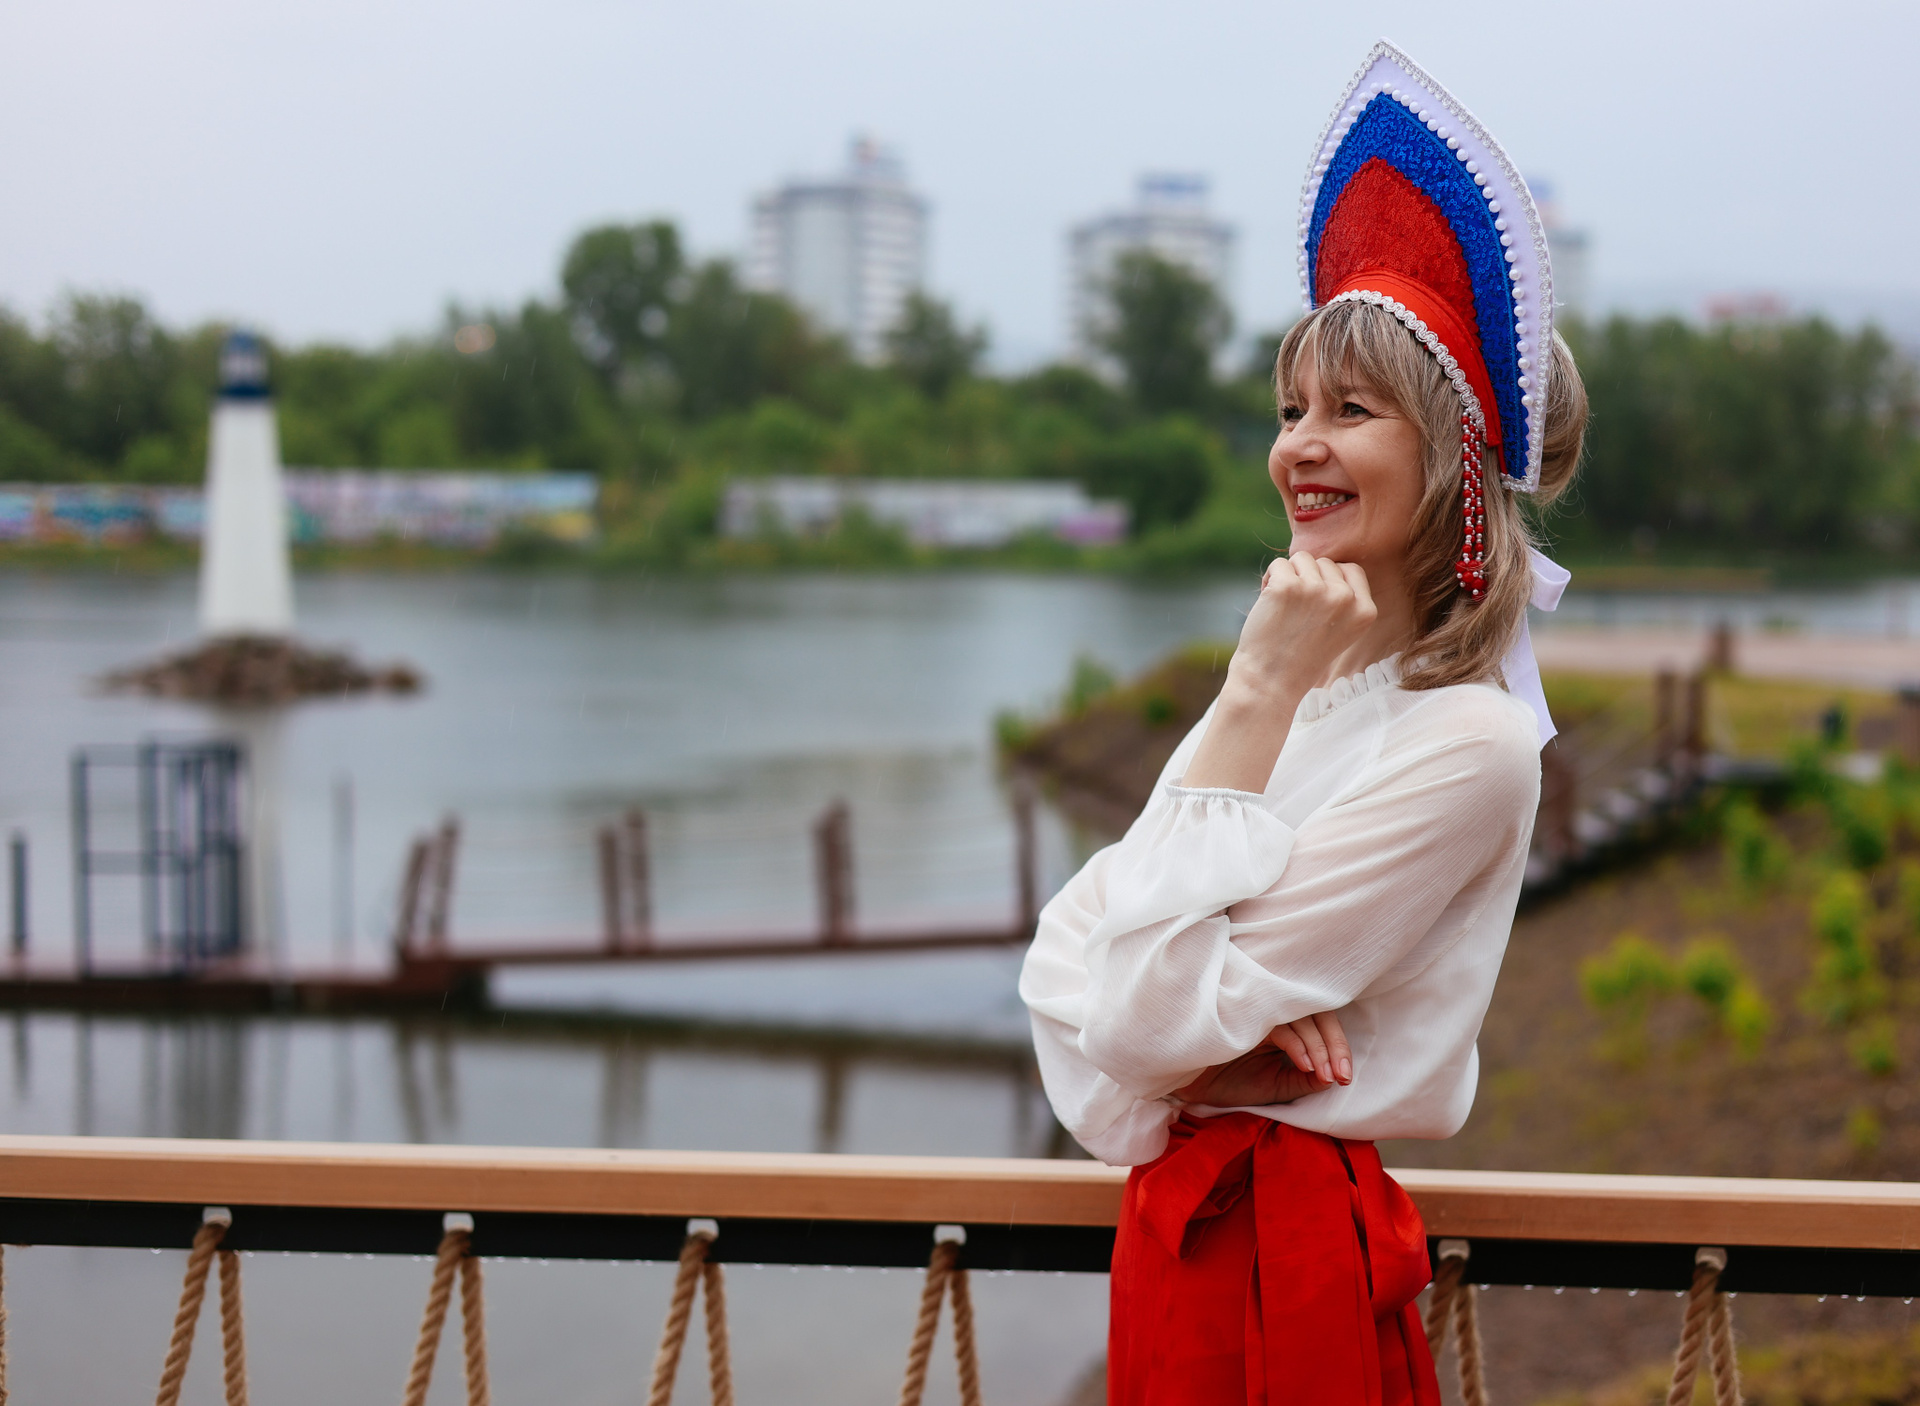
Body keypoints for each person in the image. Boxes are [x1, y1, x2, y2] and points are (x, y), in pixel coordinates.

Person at [1019, 42, 1590, 1406]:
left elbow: (1130, 1023)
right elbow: (1058, 975)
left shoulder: (1471, 744)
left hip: (1290, 1256)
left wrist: (1162, 1054)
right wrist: (1258, 688)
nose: (1297, 445)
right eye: (1290, 410)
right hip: (1177, 1237)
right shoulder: (1298, 689)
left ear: (1451, 455)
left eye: (1351, 409)